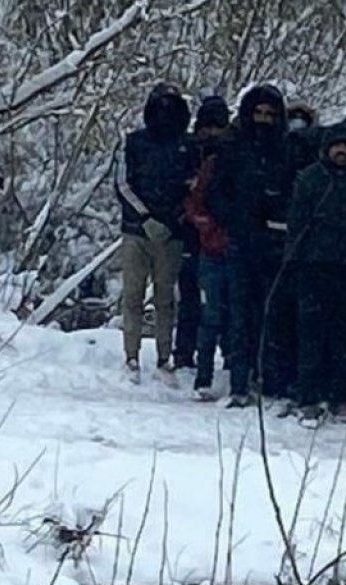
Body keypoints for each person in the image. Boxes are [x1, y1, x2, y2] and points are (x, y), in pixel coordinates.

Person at [207, 84, 294, 407]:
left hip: (275, 241)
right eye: (258, 113)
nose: (263, 120)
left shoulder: (286, 149)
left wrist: (279, 214)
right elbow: (216, 192)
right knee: (240, 314)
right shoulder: (233, 148)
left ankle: (270, 380)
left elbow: (295, 191)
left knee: (272, 314)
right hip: (242, 242)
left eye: (270, 114)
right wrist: (235, 219)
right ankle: (240, 383)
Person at [286, 124, 346, 426]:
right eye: (337, 146)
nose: (342, 151)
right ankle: (308, 397)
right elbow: (297, 222)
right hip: (313, 266)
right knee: (310, 335)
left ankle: (341, 397)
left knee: (345, 336)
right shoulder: (310, 178)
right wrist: (295, 261)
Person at [115, 83, 198, 384]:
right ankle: (131, 356)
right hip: (136, 231)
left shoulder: (188, 146)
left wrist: (175, 219)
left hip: (171, 233)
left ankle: (165, 358)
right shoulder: (133, 142)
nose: (165, 114)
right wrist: (145, 217)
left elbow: (195, 186)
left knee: (166, 298)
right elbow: (122, 184)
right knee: (133, 295)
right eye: (160, 107)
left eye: (171, 108)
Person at [183, 95, 232, 400]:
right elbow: (195, 203)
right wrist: (207, 228)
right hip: (208, 247)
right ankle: (202, 374)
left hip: (237, 249)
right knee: (208, 313)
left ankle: (232, 370)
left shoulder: (240, 163)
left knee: (235, 315)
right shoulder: (204, 162)